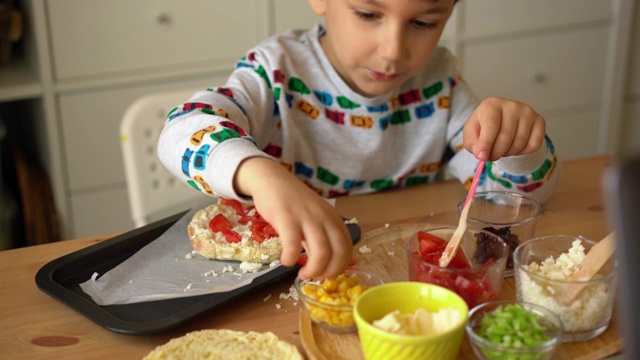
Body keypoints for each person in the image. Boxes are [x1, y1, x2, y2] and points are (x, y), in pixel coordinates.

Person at [158, 0, 560, 280]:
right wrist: (259, 174)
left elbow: (508, 200)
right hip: (289, 276)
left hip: (392, 271)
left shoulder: (442, 84)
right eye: (368, 13)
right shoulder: (275, 72)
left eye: (423, 23)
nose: (393, 51)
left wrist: (520, 150)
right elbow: (182, 128)